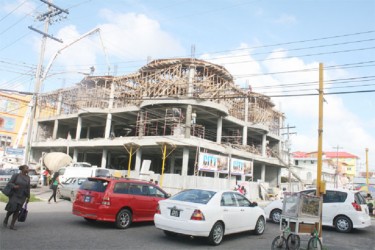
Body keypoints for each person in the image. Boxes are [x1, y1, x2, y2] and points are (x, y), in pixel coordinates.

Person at [3, 165, 30, 230]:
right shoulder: (16, 175)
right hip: (14, 194)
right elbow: (9, 183)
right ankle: (6, 218)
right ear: (22, 169)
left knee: (17, 210)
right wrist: (14, 186)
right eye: (27, 168)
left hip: (22, 195)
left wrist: (28, 196)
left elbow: (28, 187)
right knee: (12, 209)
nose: (28, 169)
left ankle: (12, 225)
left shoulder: (28, 177)